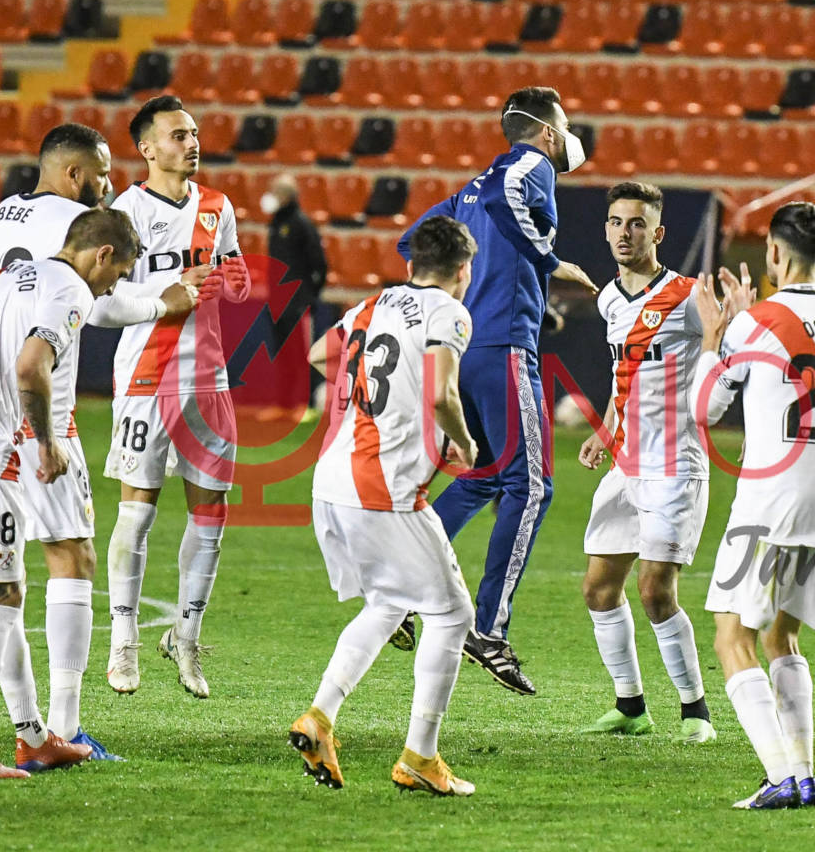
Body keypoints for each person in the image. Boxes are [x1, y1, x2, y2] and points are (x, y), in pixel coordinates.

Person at [0, 124, 203, 762]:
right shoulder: (77, 236)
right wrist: (161, 304)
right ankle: (54, 726)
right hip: (33, 422)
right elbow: (89, 302)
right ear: (73, 174)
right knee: (69, 557)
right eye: (105, 175)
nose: (110, 188)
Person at [0, 208, 143, 778]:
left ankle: (34, 735)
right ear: (103, 255)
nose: (116, 287)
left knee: (0, 591)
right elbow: (32, 367)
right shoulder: (70, 291)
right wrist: (45, 442)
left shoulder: (4, 275)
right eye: (120, 273)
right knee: (0, 595)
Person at [393, 86, 597, 695]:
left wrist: (474, 290)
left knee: (481, 475)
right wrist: (548, 260)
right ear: (551, 132)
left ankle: (403, 589)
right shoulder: (529, 166)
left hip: (471, 341)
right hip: (506, 347)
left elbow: (415, 243)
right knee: (532, 485)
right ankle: (488, 628)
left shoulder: (470, 186)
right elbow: (517, 204)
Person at [288, 216, 483, 796]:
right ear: (463, 271)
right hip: (383, 486)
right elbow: (440, 391)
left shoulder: (373, 304)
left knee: (389, 603)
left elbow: (323, 356)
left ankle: (319, 718)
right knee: (452, 615)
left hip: (333, 479)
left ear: (409, 265)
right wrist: (464, 444)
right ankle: (421, 756)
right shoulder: (449, 312)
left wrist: (372, 399)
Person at [692, 201, 815, 810]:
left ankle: (780, 775)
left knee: (731, 636)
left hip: (773, 496)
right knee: (782, 637)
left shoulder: (754, 322)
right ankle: (804, 772)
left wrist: (717, 337)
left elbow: (704, 410)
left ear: (775, 254)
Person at [101, 95, 252, 699]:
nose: (191, 143)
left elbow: (235, 275)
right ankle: (123, 642)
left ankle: (185, 641)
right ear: (146, 148)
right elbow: (103, 302)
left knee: (211, 517)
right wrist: (172, 286)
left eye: (194, 133)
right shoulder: (123, 212)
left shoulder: (218, 206)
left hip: (210, 380)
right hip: (146, 378)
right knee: (136, 514)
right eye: (177, 135)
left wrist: (234, 282)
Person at [575, 182, 716, 744]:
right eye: (615, 222)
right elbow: (622, 377)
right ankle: (631, 706)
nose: (623, 233)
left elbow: (725, 357)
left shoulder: (687, 296)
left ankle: (695, 713)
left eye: (636, 224)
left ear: (657, 233)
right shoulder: (609, 298)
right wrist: (606, 431)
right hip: (627, 465)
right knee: (598, 589)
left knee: (656, 590)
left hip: (675, 465)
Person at [259, 174, 329, 415]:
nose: (270, 196)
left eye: (275, 191)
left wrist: (308, 297)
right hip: (277, 302)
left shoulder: (302, 224)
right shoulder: (276, 224)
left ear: (286, 195)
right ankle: (284, 404)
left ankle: (307, 404)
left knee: (304, 354)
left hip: (298, 303)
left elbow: (319, 264)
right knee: (283, 354)